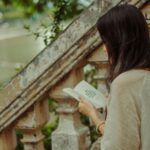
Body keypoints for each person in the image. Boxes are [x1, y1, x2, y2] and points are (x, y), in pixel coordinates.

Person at [78, 4, 150, 150]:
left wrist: (94, 117)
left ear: (121, 42)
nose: (104, 49)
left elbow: (119, 146)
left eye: (106, 41)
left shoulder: (125, 83)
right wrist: (113, 102)